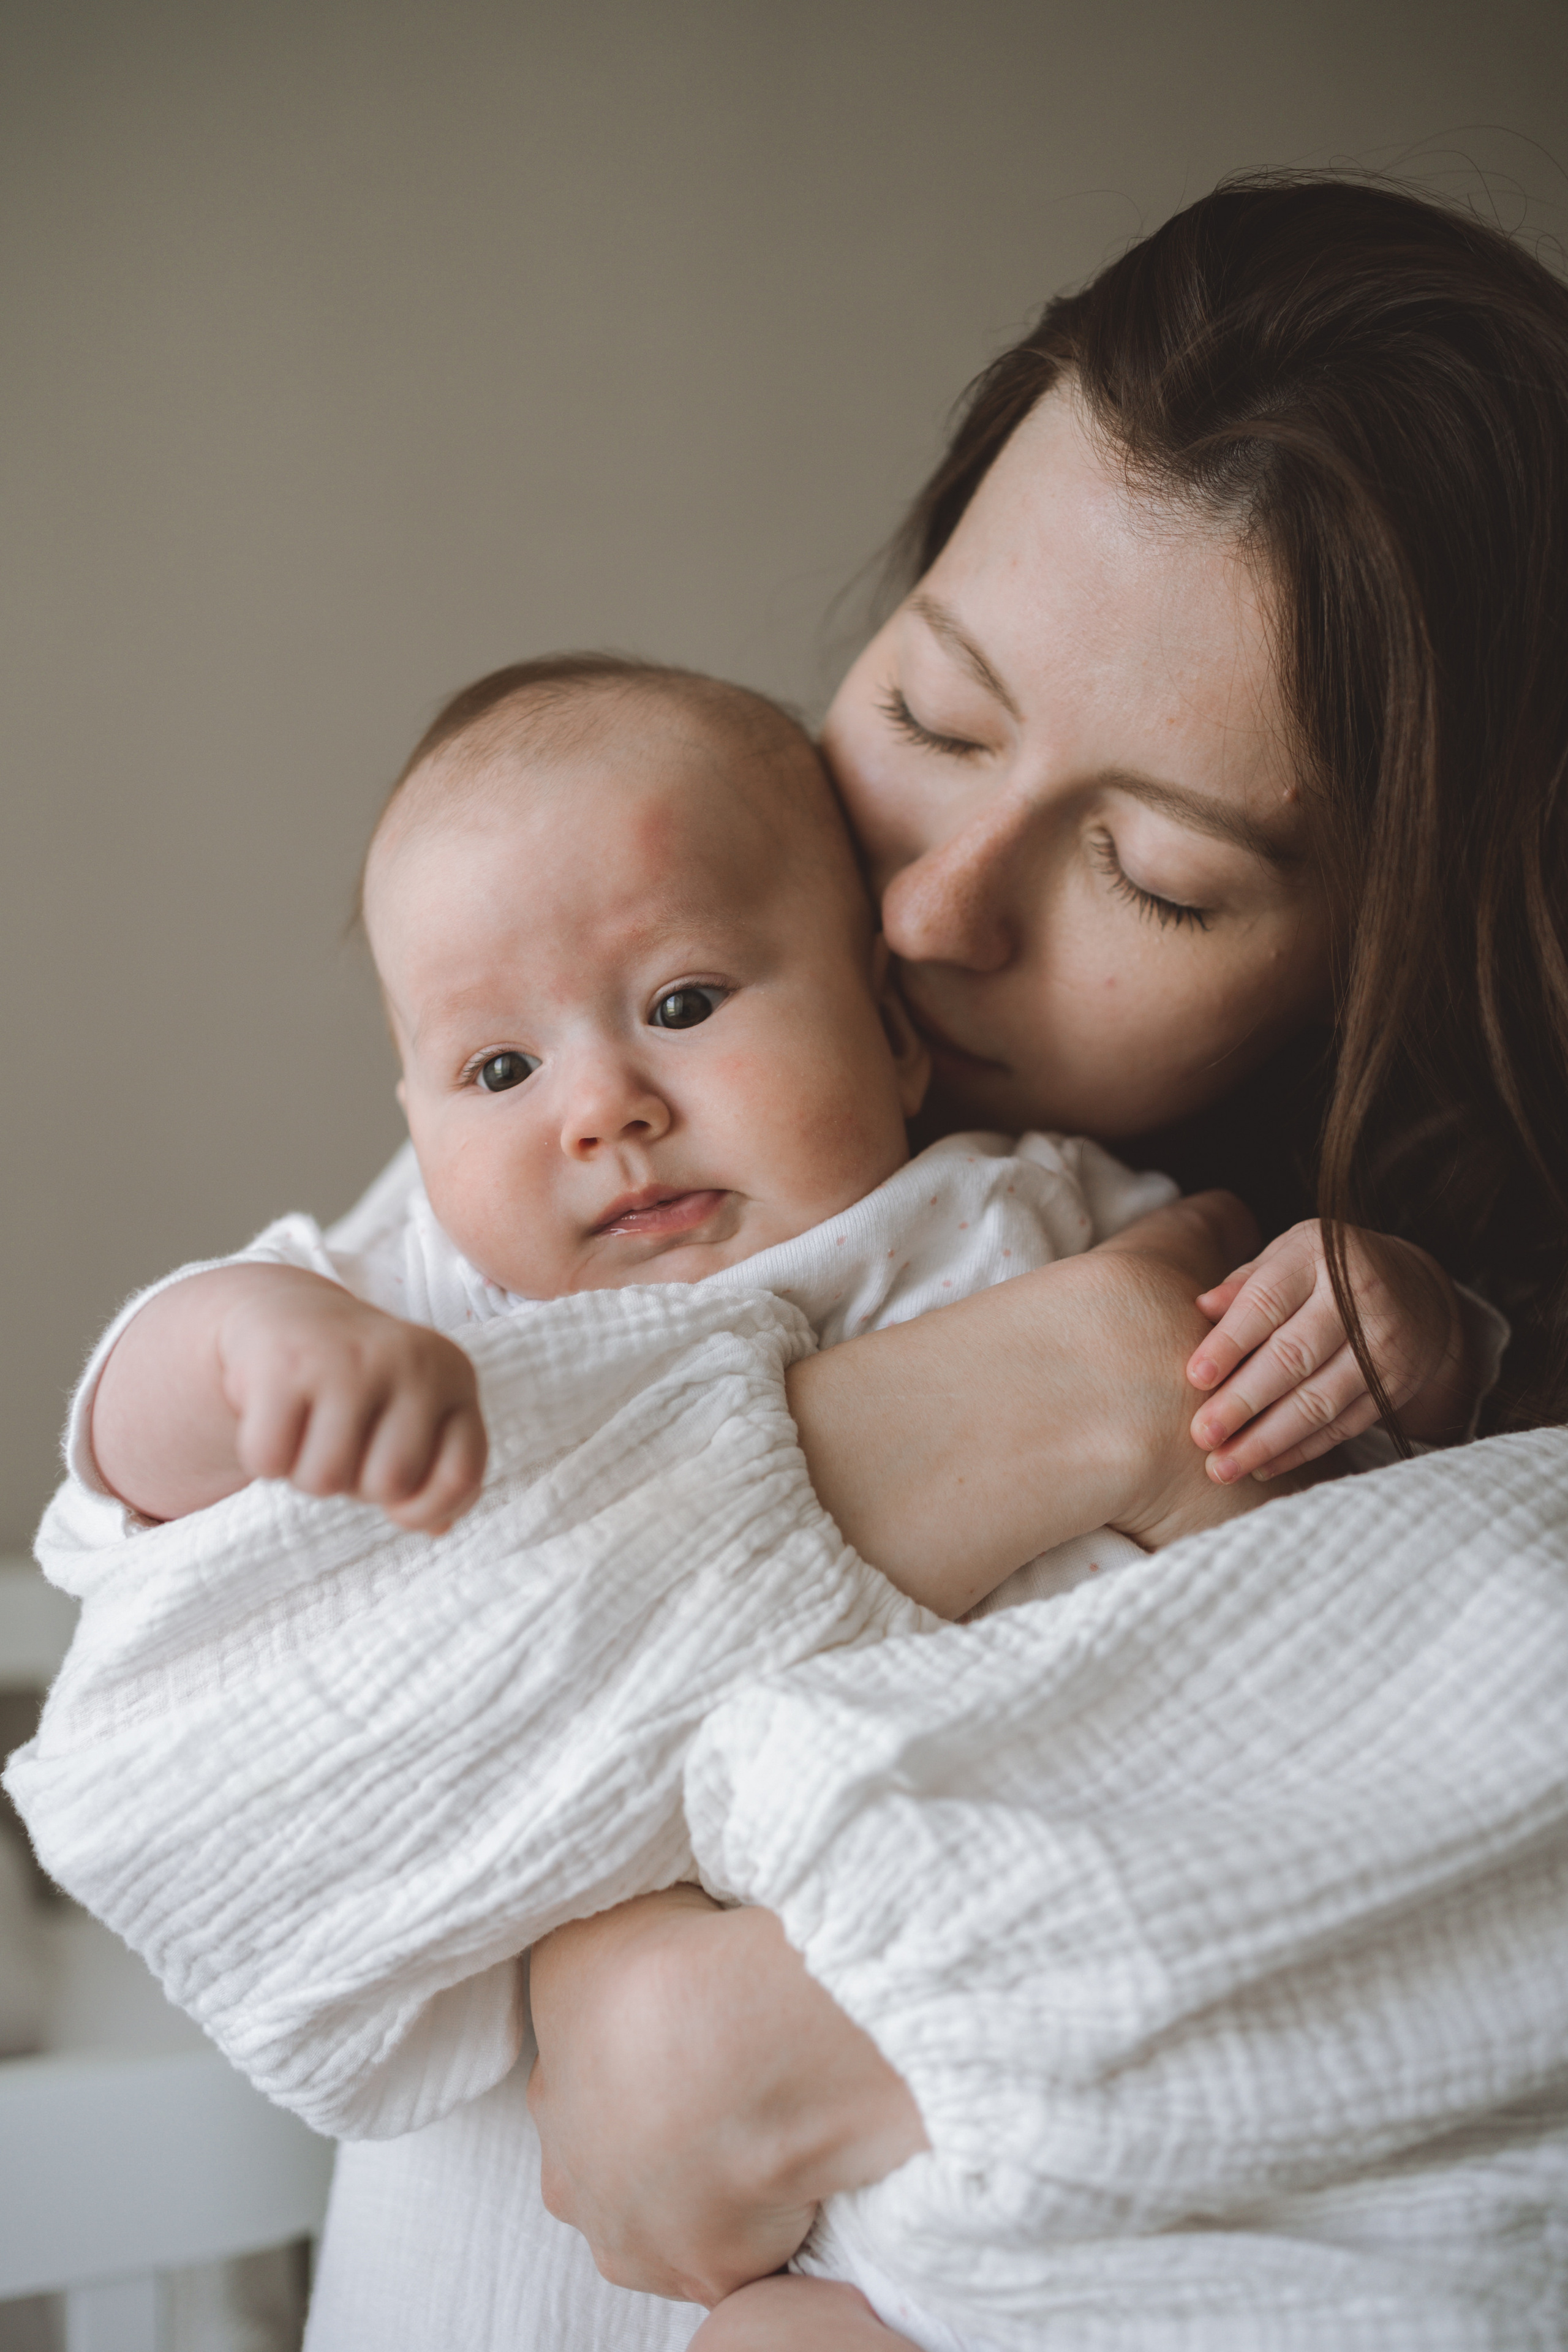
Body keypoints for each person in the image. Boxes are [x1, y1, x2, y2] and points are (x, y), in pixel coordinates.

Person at [10, 173, 1568, 2351]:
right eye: (934, 716)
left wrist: (1411, 1331)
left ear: (1412, 937)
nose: (931, 911)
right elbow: (191, 1786)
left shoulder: (1294, 1314)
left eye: (1153, 872)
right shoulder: (567, 1163)